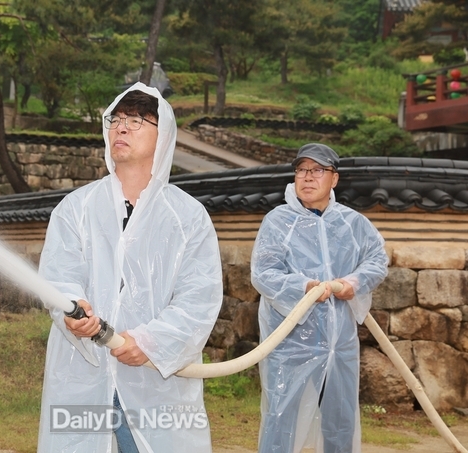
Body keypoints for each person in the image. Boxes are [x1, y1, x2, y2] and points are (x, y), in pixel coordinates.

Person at [36, 82, 223, 453]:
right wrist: (72, 309)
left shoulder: (187, 217)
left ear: (162, 135)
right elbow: (59, 274)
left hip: (154, 381)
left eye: (136, 120)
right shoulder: (76, 208)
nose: (121, 128)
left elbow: (199, 298)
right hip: (83, 374)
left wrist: (152, 342)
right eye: (116, 119)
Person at [250, 143, 389, 453]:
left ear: (334, 178)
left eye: (317, 170)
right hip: (290, 341)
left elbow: (377, 259)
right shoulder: (279, 221)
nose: (308, 177)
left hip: (339, 342)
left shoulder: (352, 223)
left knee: (340, 417)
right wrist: (304, 286)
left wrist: (354, 282)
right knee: (281, 417)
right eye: (301, 170)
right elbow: (263, 273)